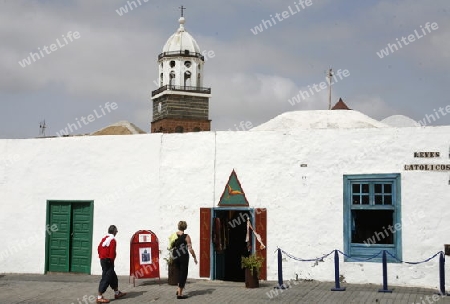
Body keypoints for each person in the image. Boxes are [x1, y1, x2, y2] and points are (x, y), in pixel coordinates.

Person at [96, 225, 127, 303]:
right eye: (116, 231)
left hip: (103, 259)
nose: (116, 232)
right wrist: (111, 260)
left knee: (113, 277)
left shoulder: (104, 238)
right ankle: (99, 297)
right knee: (106, 277)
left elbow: (99, 248)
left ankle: (117, 293)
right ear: (114, 231)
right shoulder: (112, 240)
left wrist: (101, 256)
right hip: (108, 260)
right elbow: (112, 252)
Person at [172, 220, 197, 299]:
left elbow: (171, 245)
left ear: (178, 226)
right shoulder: (186, 236)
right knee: (183, 273)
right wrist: (194, 257)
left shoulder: (174, 235)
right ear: (185, 227)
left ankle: (178, 289)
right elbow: (190, 249)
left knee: (178, 272)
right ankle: (180, 294)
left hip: (175, 255)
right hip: (183, 256)